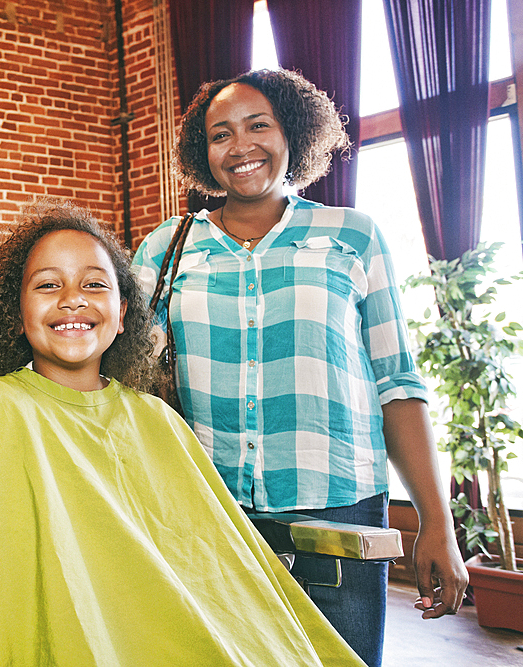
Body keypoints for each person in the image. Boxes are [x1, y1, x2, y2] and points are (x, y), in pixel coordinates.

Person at [0, 202, 365, 666]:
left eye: (95, 284)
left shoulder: (158, 420)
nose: (73, 300)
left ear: (124, 315)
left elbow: (218, 565)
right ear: (17, 315)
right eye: (48, 285)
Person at [131, 69, 468, 666]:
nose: (240, 147)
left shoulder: (352, 237)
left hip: (338, 510)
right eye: (220, 134)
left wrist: (434, 521)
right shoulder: (164, 250)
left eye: (258, 125)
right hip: (208, 512)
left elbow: (398, 384)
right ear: (200, 152)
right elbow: (127, 383)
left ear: (294, 132)